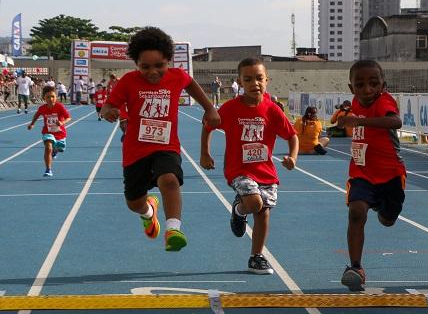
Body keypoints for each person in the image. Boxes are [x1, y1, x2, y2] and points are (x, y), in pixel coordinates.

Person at [100, 26, 220, 252]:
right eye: (145, 67)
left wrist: (209, 108)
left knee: (170, 180)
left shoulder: (177, 77)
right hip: (136, 150)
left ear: (169, 61)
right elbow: (109, 105)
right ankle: (149, 212)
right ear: (136, 64)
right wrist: (108, 111)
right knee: (134, 203)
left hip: (166, 145)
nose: (153, 71)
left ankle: (173, 229)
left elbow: (191, 85)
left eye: (159, 65)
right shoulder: (128, 81)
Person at [200, 57, 298, 275]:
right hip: (239, 170)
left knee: (263, 213)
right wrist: (204, 153)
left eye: (259, 78)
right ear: (239, 82)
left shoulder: (272, 110)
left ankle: (256, 256)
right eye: (248, 79)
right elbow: (208, 126)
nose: (255, 83)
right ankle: (240, 208)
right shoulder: (230, 108)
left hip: (265, 171)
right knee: (254, 203)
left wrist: (292, 157)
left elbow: (292, 136)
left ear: (267, 80)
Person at [336, 60, 406, 292]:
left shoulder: (384, 101)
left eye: (374, 84)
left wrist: (360, 121)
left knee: (388, 220)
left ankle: (381, 208)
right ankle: (356, 268)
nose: (368, 89)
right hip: (361, 172)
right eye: (361, 84)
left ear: (383, 84)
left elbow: (396, 121)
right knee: (356, 212)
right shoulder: (355, 102)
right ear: (352, 88)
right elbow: (354, 109)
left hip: (390, 175)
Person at [27, 85, 71, 177]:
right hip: (48, 132)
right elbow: (37, 115)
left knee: (60, 149)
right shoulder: (42, 108)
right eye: (48, 97)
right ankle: (48, 169)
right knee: (48, 148)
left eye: (53, 96)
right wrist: (32, 124)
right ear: (44, 98)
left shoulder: (60, 107)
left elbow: (68, 117)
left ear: (56, 97)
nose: (51, 99)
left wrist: (62, 122)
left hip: (60, 133)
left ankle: (55, 150)